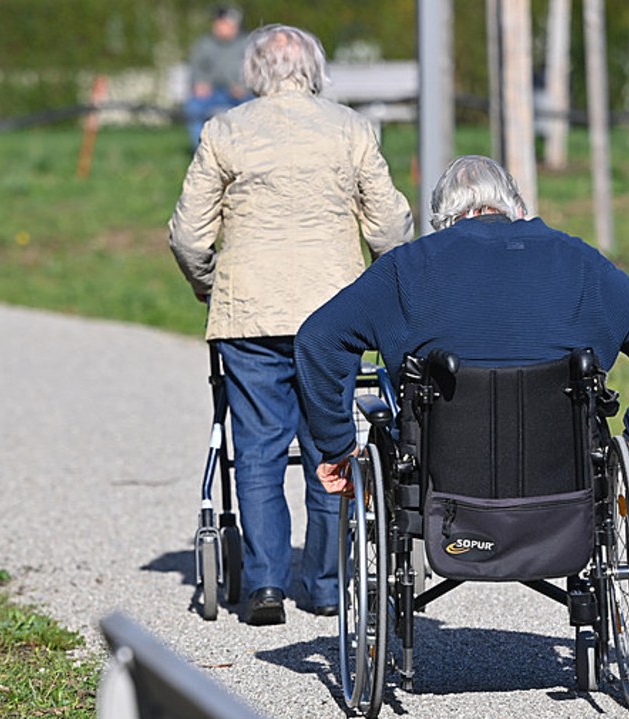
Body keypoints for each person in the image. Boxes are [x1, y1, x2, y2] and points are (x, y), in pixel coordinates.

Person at [168, 24, 414, 625]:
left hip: (249, 312)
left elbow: (188, 234)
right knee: (332, 443)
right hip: (333, 314)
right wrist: (379, 290)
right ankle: (327, 585)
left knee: (256, 450)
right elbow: (388, 227)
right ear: (314, 70)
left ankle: (265, 586)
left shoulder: (225, 130)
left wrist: (208, 285)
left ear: (254, 73)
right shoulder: (350, 129)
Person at [295, 155, 629, 495]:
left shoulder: (406, 267)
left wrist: (338, 446)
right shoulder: (578, 260)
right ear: (516, 207)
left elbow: (318, 338)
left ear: (441, 220)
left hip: (440, 483)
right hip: (565, 482)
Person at [184, 6, 250, 149]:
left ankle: (247, 150)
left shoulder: (248, 44)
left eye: (224, 23)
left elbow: (256, 71)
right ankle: (200, 150)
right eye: (218, 23)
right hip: (212, 92)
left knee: (254, 107)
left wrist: (243, 85)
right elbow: (196, 68)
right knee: (194, 107)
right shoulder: (204, 43)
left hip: (240, 93)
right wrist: (199, 83)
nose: (220, 26)